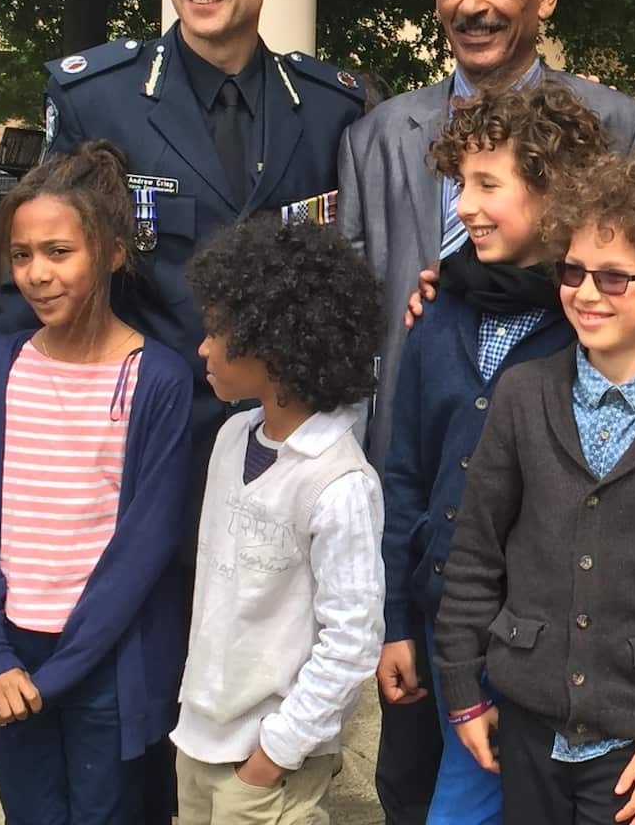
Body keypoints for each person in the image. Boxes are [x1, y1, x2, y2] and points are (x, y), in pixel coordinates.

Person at [335, 0, 635, 822]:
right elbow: (363, 320)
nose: (471, 3)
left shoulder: (621, 126)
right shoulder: (374, 136)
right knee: (414, 769)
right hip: (429, 496)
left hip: (558, 545)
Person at [0, 0, 366, 553]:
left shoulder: (332, 109)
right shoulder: (99, 99)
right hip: (138, 454)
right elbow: (31, 287)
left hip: (285, 464)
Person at [435, 147, 635, 825]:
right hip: (523, 731)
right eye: (574, 271)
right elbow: (474, 555)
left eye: (615, 279)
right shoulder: (523, 396)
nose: (586, 292)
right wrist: (464, 689)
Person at [384, 81, 612, 825]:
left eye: (487, 184)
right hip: (442, 622)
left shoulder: (600, 332)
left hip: (548, 647)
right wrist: (394, 621)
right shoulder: (439, 312)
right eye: (459, 185)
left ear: (556, 190)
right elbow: (405, 475)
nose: (462, 208)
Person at [0, 141, 192, 823]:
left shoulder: (157, 378)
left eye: (59, 252)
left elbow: (143, 549)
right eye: (21, 255)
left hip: (106, 660)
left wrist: (56, 678)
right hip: (8, 653)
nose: (37, 273)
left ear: (113, 253)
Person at [173, 215, 384, 824]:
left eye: (218, 332)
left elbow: (352, 640)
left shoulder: (340, 483)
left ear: (280, 343)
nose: (203, 348)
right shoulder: (232, 439)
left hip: (269, 767)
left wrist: (274, 753)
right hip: (198, 739)